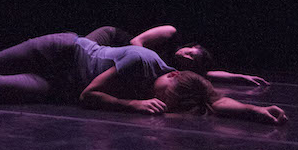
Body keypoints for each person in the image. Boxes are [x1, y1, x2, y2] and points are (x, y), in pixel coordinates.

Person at [0, 33, 287, 125]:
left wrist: (256, 111)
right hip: (61, 52)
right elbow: (90, 96)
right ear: (171, 74)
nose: (161, 101)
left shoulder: (185, 85)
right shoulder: (143, 63)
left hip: (62, 86)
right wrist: (131, 104)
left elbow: (216, 101)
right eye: (165, 95)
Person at [84, 25, 270, 86]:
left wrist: (241, 77)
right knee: (77, 49)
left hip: (111, 58)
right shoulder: (170, 35)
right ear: (192, 46)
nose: (186, 57)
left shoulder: (175, 67)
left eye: (191, 60)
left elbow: (208, 74)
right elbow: (136, 42)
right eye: (190, 53)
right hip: (110, 39)